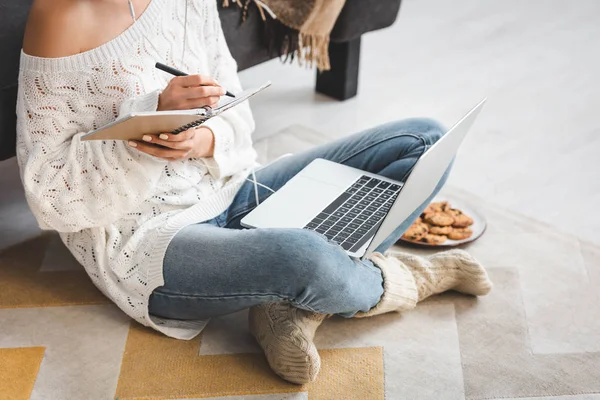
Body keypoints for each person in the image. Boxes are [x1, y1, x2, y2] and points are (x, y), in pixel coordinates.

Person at [17, 0, 492, 385]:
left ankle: (285, 305)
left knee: (425, 139)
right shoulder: (59, 17)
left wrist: (198, 139)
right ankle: (392, 281)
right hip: (150, 240)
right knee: (303, 256)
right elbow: (51, 195)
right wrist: (147, 126)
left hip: (235, 186)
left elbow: (236, 112)